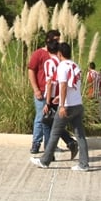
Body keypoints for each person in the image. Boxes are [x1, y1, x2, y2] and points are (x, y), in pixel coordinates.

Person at [31, 42, 90, 172]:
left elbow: (63, 85)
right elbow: (72, 85)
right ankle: (84, 164)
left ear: (60, 54)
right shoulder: (75, 65)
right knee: (80, 135)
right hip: (78, 104)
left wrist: (61, 104)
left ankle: (45, 161)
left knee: (54, 133)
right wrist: (60, 97)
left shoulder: (62, 66)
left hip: (67, 106)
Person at [26, 29, 61, 155]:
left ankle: (51, 144)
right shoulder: (38, 54)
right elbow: (31, 70)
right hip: (42, 91)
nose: (58, 43)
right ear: (48, 40)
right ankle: (36, 143)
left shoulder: (59, 55)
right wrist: (35, 89)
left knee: (55, 120)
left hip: (56, 94)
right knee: (41, 118)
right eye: (56, 40)